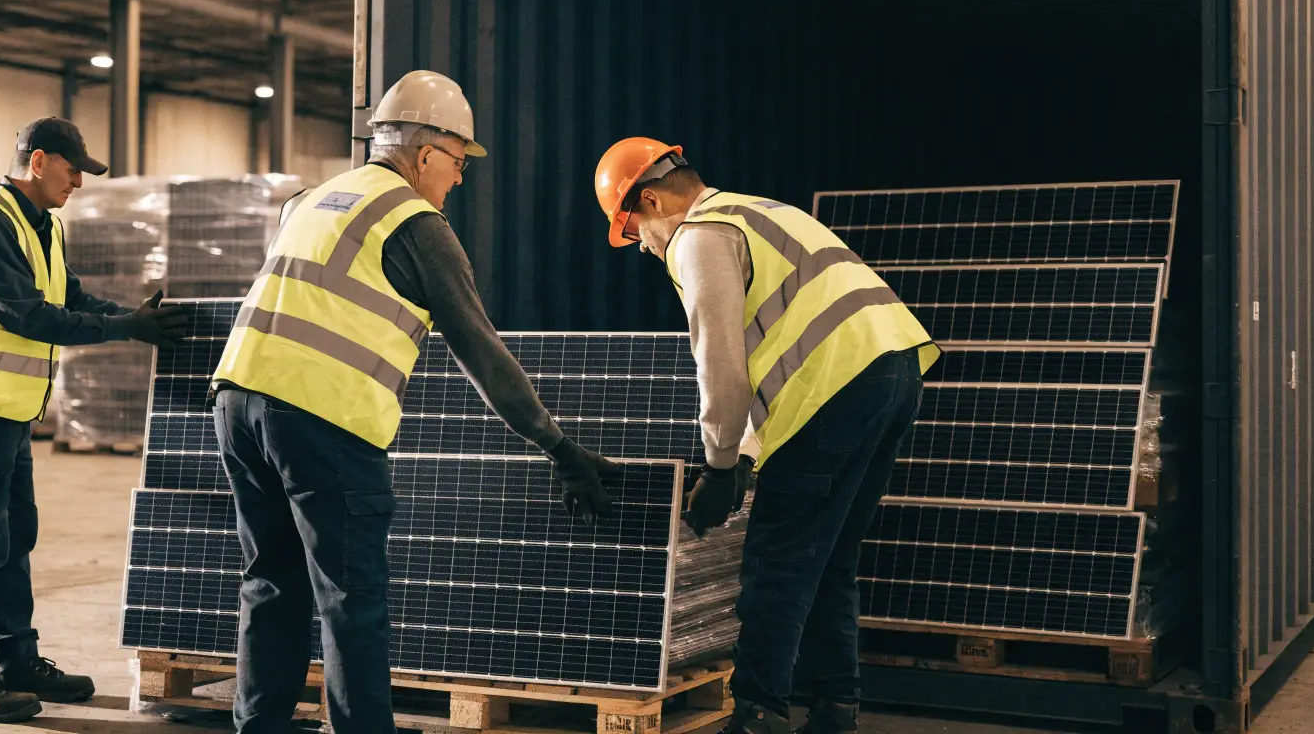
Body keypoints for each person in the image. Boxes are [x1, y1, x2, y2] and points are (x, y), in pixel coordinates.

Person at [210, 70, 622, 733]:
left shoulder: (311, 199)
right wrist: (559, 446)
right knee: (351, 597)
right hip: (322, 417)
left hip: (237, 406)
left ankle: (259, 726)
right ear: (426, 153)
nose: (458, 179)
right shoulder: (417, 224)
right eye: (458, 162)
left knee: (271, 582)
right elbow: (482, 353)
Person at [593, 138, 940, 734]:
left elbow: (722, 363)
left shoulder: (699, 237)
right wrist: (747, 456)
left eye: (634, 233)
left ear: (649, 201)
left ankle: (757, 715)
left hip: (833, 388)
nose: (643, 249)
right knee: (828, 558)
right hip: (894, 371)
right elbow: (774, 348)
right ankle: (836, 709)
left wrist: (721, 464)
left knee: (775, 561)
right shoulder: (760, 211)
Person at [0, 116, 192, 724]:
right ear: (38, 162)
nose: (79, 183)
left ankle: (16, 661)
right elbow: (26, 316)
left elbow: (69, 296)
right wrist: (123, 329)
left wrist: (131, 319)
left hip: (5, 407)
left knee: (14, 538)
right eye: (73, 169)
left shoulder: (44, 226)